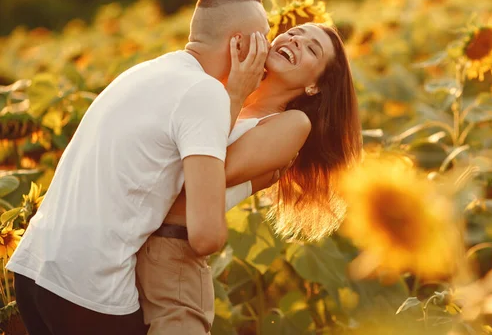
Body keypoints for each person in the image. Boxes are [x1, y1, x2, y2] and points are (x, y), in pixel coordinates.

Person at [6, 0, 271, 335]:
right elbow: (206, 236)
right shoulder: (205, 93)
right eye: (264, 39)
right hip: (88, 289)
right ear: (239, 44)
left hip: (33, 271)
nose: (269, 50)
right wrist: (236, 94)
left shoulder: (148, 72)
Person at [136, 23, 363, 334]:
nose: (296, 41)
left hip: (173, 257)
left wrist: (235, 92)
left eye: (312, 49)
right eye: (294, 32)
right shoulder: (221, 90)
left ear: (315, 86)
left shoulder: (292, 124)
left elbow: (207, 171)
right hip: (133, 239)